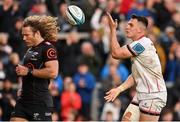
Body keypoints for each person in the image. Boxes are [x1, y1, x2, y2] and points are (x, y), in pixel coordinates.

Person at [104, 13, 167, 121]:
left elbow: (116, 54)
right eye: (128, 24)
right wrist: (119, 89)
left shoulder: (142, 44)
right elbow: (135, 75)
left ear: (140, 30)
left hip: (153, 95)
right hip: (142, 93)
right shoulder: (138, 45)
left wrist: (113, 30)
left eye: (131, 25)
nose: (127, 27)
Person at [10, 15, 59, 121]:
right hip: (24, 100)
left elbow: (53, 72)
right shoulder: (30, 49)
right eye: (23, 35)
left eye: (27, 35)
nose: (24, 38)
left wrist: (28, 71)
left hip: (39, 102)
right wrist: (24, 88)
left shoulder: (48, 48)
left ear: (37, 33)